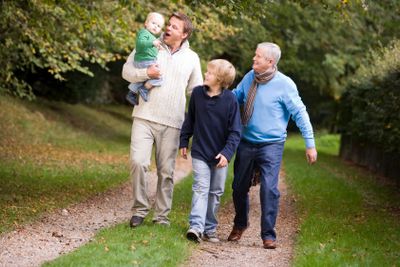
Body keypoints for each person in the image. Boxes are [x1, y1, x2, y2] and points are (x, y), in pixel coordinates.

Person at [228, 42, 317, 249]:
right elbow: (235, 97)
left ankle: (268, 234)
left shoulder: (285, 84)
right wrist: (215, 98)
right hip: (246, 141)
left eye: (257, 56)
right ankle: (240, 224)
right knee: (238, 187)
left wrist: (310, 144)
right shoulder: (250, 77)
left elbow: (300, 113)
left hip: (272, 144)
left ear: (270, 61)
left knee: (269, 189)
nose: (253, 59)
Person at [122, 12, 203, 227]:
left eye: (174, 27)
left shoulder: (192, 58)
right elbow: (126, 71)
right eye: (168, 24)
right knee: (138, 163)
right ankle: (139, 209)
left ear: (184, 34)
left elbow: (196, 92)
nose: (168, 28)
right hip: (144, 116)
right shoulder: (149, 45)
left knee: (166, 172)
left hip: (172, 123)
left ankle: (161, 216)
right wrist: (145, 72)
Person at [180, 59, 241, 243]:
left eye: (210, 72)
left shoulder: (230, 100)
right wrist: (184, 140)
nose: (205, 74)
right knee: (200, 188)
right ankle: (196, 227)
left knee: (215, 192)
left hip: (220, 156)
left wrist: (227, 153)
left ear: (220, 79)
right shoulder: (198, 94)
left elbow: (235, 131)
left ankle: (210, 228)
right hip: (200, 151)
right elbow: (190, 119)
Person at [126, 12, 165, 106]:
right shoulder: (144, 33)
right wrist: (152, 43)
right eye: (153, 23)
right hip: (143, 60)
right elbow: (140, 44)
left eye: (159, 26)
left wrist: (158, 48)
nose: (156, 26)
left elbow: (151, 49)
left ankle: (131, 93)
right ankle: (144, 89)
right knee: (159, 77)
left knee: (143, 78)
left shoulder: (152, 37)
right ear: (146, 23)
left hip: (146, 60)